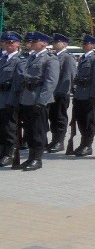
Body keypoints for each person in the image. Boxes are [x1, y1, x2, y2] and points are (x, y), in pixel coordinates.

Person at [18, 31, 59, 171]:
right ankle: (31, 157)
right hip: (28, 98)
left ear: (43, 43)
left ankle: (37, 159)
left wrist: (41, 101)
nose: (31, 43)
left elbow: (51, 82)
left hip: (39, 99)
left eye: (35, 41)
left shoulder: (50, 59)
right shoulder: (32, 57)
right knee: (29, 130)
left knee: (38, 130)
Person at [70, 34, 95, 157]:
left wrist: (94, 94)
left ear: (93, 45)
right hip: (80, 94)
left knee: (89, 121)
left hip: (89, 94)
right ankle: (83, 143)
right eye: (83, 43)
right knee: (80, 120)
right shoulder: (83, 58)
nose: (83, 45)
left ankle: (88, 145)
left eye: (86, 43)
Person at [46, 33, 77, 153]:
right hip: (52, 93)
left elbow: (69, 75)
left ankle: (59, 141)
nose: (54, 44)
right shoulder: (53, 56)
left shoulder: (67, 57)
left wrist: (64, 91)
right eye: (54, 42)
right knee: (52, 117)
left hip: (61, 92)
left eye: (57, 42)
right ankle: (54, 140)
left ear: (64, 44)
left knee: (60, 117)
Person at [0, 31, 26, 167]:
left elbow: (19, 83)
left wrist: (13, 101)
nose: (8, 45)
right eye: (5, 42)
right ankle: (2, 152)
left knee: (9, 129)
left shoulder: (20, 60)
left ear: (17, 44)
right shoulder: (3, 59)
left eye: (11, 43)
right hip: (1, 99)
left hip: (9, 99)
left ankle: (9, 154)